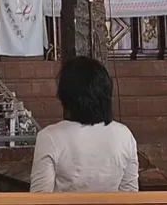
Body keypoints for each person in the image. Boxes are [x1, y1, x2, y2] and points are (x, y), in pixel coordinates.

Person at [30, 56, 138, 192]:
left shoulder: (49, 137)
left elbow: (40, 200)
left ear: (66, 96)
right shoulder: (124, 135)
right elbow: (130, 196)